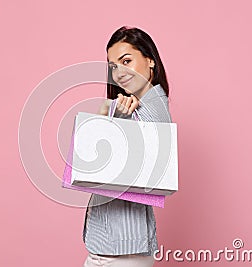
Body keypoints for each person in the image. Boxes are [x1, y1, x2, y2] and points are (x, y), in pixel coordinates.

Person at [82, 26, 172, 267]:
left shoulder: (152, 110)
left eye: (126, 60)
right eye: (113, 66)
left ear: (150, 60)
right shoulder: (132, 107)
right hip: (107, 248)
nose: (119, 72)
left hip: (124, 253)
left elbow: (106, 167)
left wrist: (114, 125)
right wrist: (108, 118)